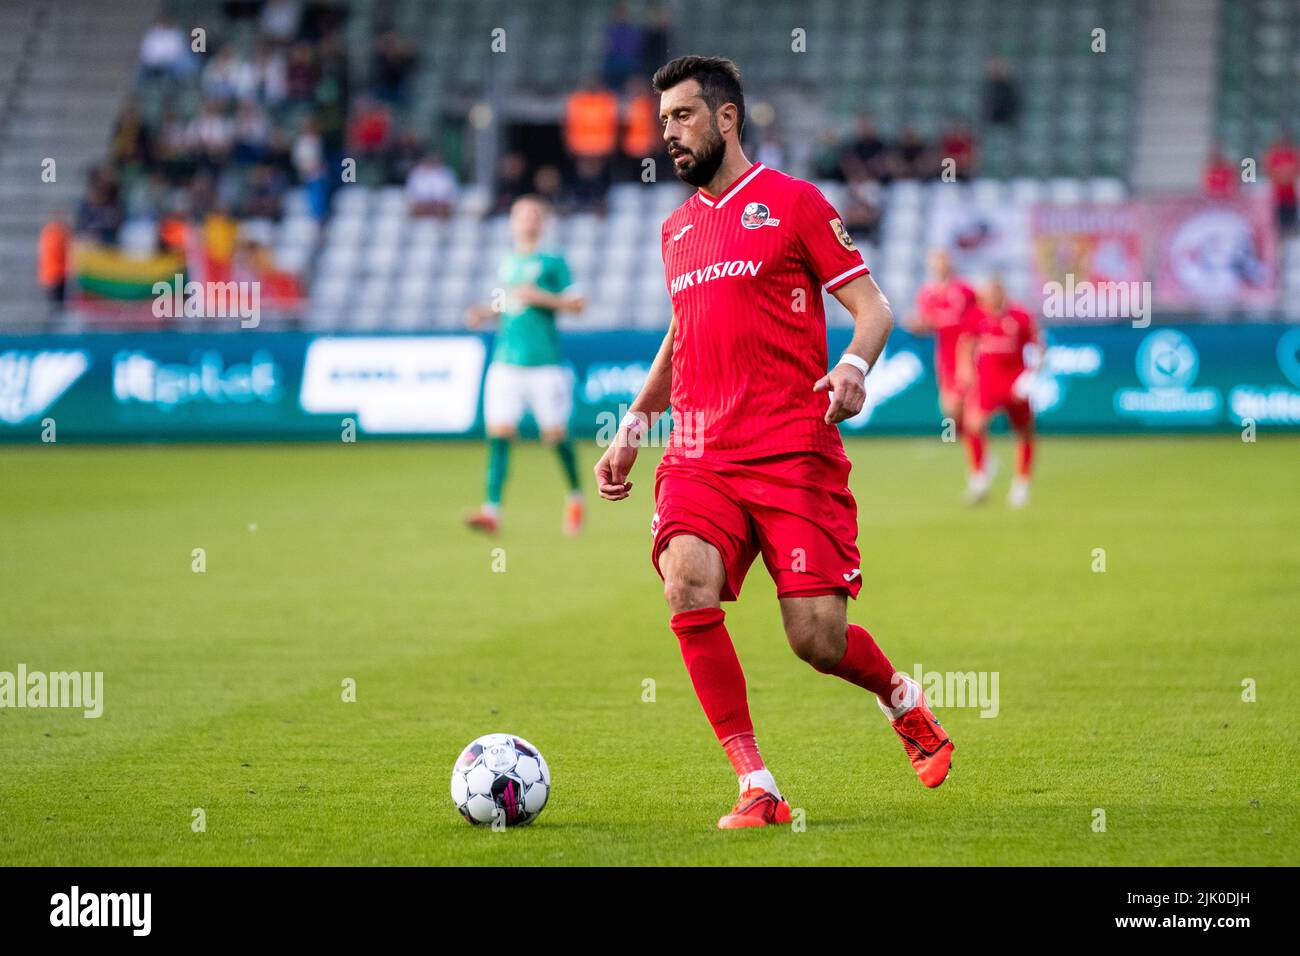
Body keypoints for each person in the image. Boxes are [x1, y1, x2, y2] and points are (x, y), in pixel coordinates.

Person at [593, 56, 954, 830]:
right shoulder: (675, 229)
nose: (669, 136)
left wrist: (853, 367)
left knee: (817, 640)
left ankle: (903, 700)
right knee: (685, 579)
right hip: (700, 451)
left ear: (727, 118)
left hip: (793, 452)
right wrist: (632, 427)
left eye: (683, 118)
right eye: (663, 123)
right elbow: (680, 336)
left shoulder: (793, 204)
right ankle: (757, 784)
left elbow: (874, 308)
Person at [465, 196, 588, 537]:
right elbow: (508, 303)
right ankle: (492, 511)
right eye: (521, 215)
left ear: (542, 221)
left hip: (544, 362)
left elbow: (578, 304)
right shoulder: (507, 263)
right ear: (512, 222)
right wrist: (485, 313)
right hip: (506, 362)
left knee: (554, 436)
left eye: (534, 214)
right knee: (500, 435)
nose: (527, 221)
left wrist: (542, 298)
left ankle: (575, 496)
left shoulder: (553, 262)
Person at [959, 277, 1041, 508]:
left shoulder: (1020, 317)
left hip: (1015, 383)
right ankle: (979, 478)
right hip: (988, 382)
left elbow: (1037, 346)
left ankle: (1021, 485)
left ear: (1001, 292)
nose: (989, 299)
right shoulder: (977, 316)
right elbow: (966, 344)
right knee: (973, 424)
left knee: (1024, 431)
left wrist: (1030, 376)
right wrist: (966, 371)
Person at [905, 249, 981, 496]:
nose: (939, 265)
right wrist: (918, 326)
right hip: (944, 357)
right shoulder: (927, 294)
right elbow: (927, 324)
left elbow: (979, 320)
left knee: (969, 410)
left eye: (942, 260)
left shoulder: (965, 291)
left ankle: (979, 465)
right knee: (950, 409)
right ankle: (973, 452)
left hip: (966, 354)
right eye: (935, 262)